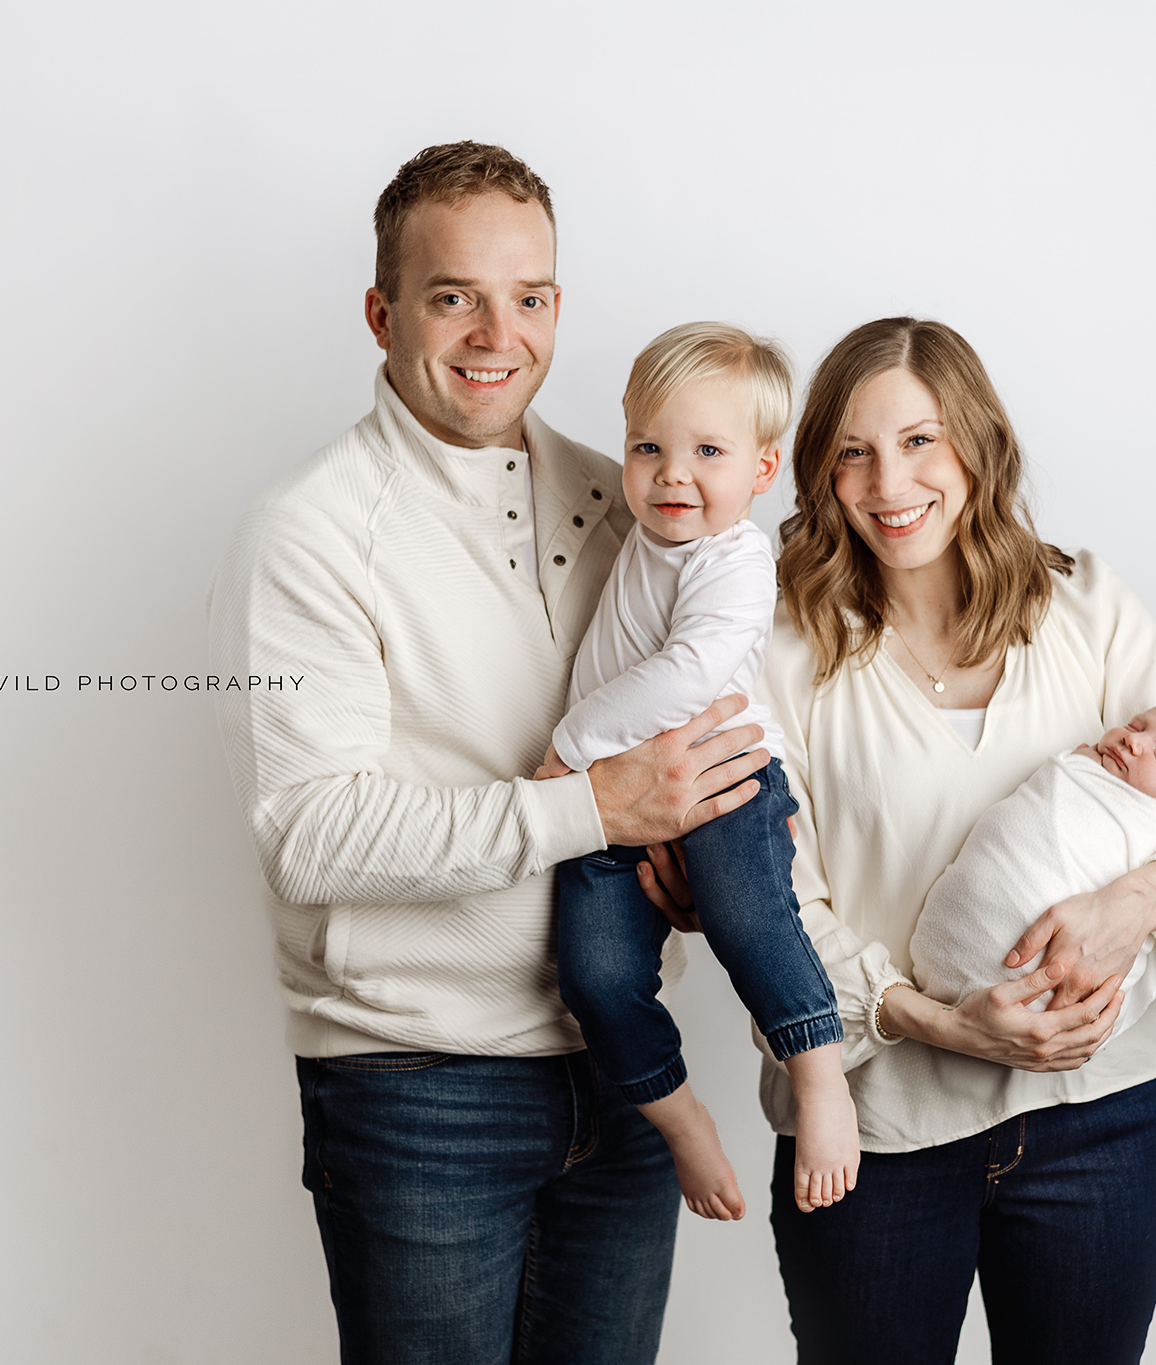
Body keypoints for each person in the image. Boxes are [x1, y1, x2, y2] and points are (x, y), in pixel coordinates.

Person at [207, 142, 769, 1365]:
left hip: (623, 1067)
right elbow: (310, 836)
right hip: (417, 1088)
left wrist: (675, 845)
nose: (492, 333)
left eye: (528, 297)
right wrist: (595, 808)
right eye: (453, 294)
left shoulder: (627, 494)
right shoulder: (309, 534)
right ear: (382, 313)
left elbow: (705, 706)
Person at [638, 317, 1156, 1364]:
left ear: (976, 445)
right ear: (814, 470)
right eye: (851, 450)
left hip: (1096, 1124)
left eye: (919, 441)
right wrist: (942, 1022)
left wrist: (1137, 901)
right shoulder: (765, 646)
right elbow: (769, 901)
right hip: (871, 1137)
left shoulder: (1085, 605)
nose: (889, 482)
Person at [534, 322, 860, 1223]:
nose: (673, 473)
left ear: (762, 470)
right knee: (592, 977)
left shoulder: (738, 560)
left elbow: (689, 674)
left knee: (748, 917)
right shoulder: (643, 532)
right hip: (615, 804)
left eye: (707, 452)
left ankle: (820, 1074)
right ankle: (678, 1117)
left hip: (722, 783)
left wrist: (569, 746)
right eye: (649, 447)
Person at [911, 702, 1156, 1047]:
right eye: (1135, 726)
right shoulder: (1085, 765)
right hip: (938, 978)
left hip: (1059, 1008)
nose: (1134, 742)